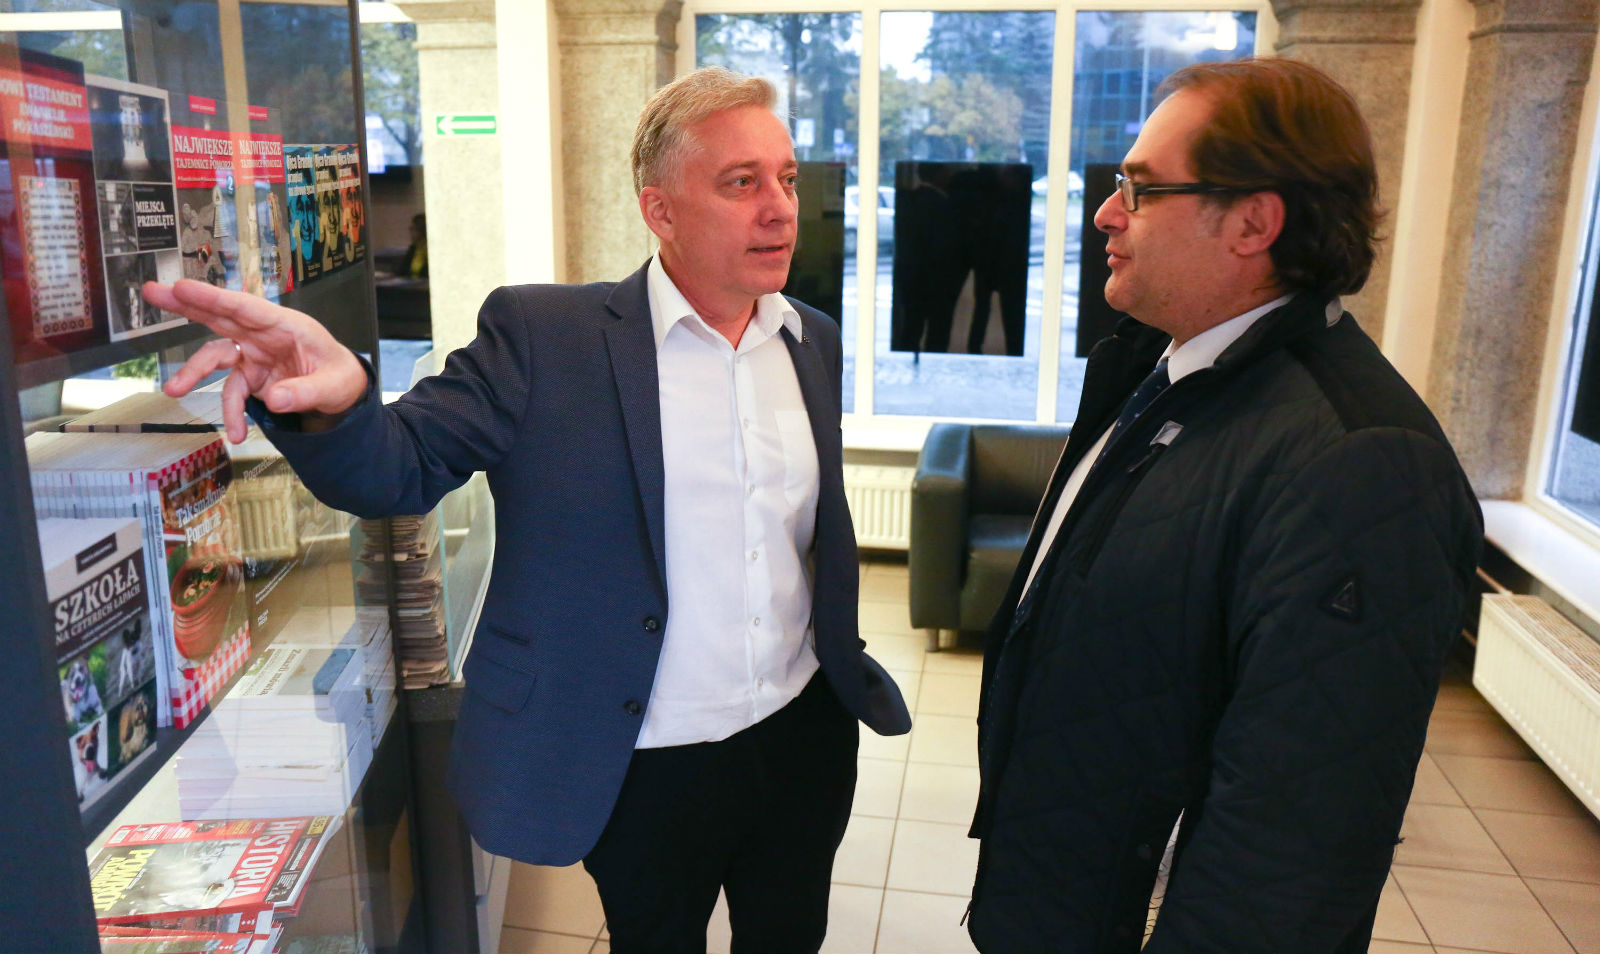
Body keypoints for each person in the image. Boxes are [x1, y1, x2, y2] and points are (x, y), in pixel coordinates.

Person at [144, 66, 910, 954]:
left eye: (787, 179)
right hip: (643, 758)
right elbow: (398, 468)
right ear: (660, 211)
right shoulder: (546, 339)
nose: (780, 209)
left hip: (802, 732)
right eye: (742, 183)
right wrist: (340, 401)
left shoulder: (810, 339)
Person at [965, 58, 1482, 953]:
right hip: (1061, 896)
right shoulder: (1165, 370)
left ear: (1252, 223)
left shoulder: (1363, 462)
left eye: (1140, 189)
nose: (1106, 213)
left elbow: (1296, 841)